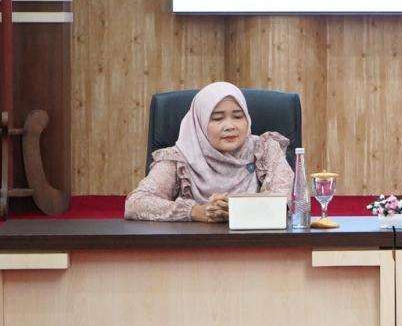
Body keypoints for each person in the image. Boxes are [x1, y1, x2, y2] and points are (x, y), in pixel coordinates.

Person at [125, 82, 293, 222]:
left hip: (258, 244)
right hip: (194, 246)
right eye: (217, 118)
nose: (230, 126)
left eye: (237, 116)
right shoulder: (180, 157)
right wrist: (195, 211)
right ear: (200, 123)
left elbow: (282, 199)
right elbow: (136, 203)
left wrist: (238, 208)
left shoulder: (264, 149)